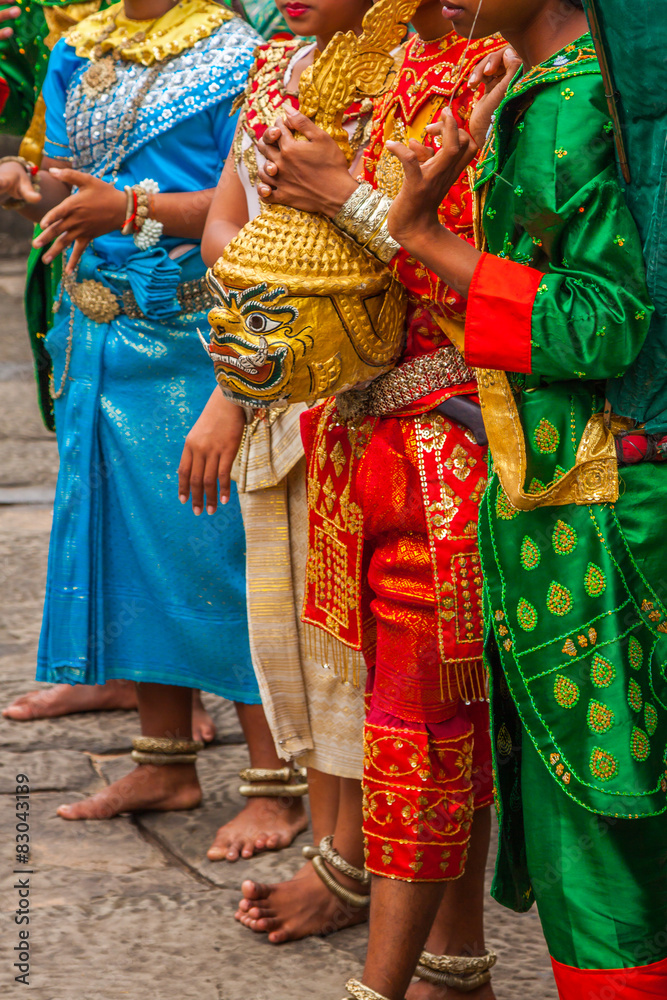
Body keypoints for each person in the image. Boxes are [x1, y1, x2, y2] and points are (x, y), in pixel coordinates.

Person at [383, 0, 667, 997]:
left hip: (597, 524)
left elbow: (601, 323)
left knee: (600, 842)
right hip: (586, 503)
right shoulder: (548, 85)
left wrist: (423, 235)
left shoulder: (573, 101)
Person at [228, 4, 507, 997]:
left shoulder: (501, 73)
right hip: (365, 443)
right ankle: (451, 965)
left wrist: (340, 194)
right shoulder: (394, 64)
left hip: (450, 448)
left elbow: (471, 282)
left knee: (421, 736)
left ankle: (382, 986)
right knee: (426, 734)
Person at [0, 0, 308, 861]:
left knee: (217, 546)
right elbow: (66, 178)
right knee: (125, 538)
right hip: (97, 328)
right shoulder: (79, 47)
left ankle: (275, 781)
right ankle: (165, 755)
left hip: (194, 332)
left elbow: (247, 199)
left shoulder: (245, 54)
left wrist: (131, 209)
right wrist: (32, 185)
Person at [179, 0, 372, 914]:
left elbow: (365, 241)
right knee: (291, 629)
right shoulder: (277, 64)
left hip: (350, 387)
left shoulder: (389, 72)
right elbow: (226, 225)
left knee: (348, 646)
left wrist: (233, 388)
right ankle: (335, 853)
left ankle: (351, 865)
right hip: (274, 372)